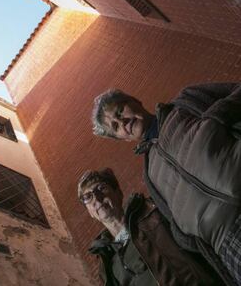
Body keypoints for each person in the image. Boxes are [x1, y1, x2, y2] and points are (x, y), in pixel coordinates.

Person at [91, 82, 241, 285]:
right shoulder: (151, 176)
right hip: (228, 242)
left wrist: (215, 117)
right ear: (122, 138)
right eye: (115, 126)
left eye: (119, 110)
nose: (123, 121)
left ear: (135, 101)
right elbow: (179, 231)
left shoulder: (185, 103)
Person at [78, 168, 220, 285]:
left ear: (118, 193)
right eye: (88, 197)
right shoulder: (107, 262)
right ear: (90, 212)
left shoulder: (154, 211)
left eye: (101, 188)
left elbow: (199, 243)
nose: (96, 198)